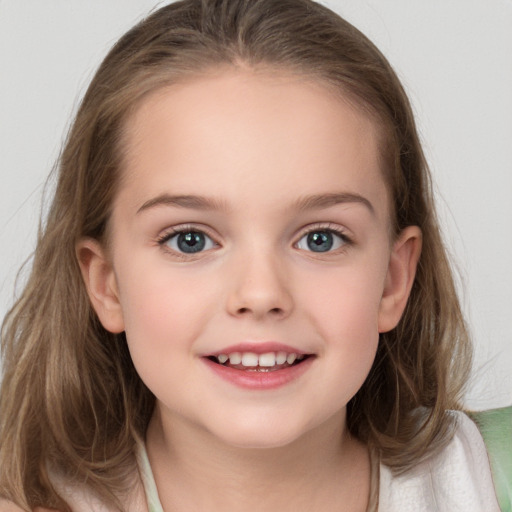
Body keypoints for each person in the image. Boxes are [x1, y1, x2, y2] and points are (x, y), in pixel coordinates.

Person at [0, 0, 509, 510]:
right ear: (106, 283)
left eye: (320, 239)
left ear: (393, 279)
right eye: (190, 239)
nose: (261, 294)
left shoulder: (490, 477)